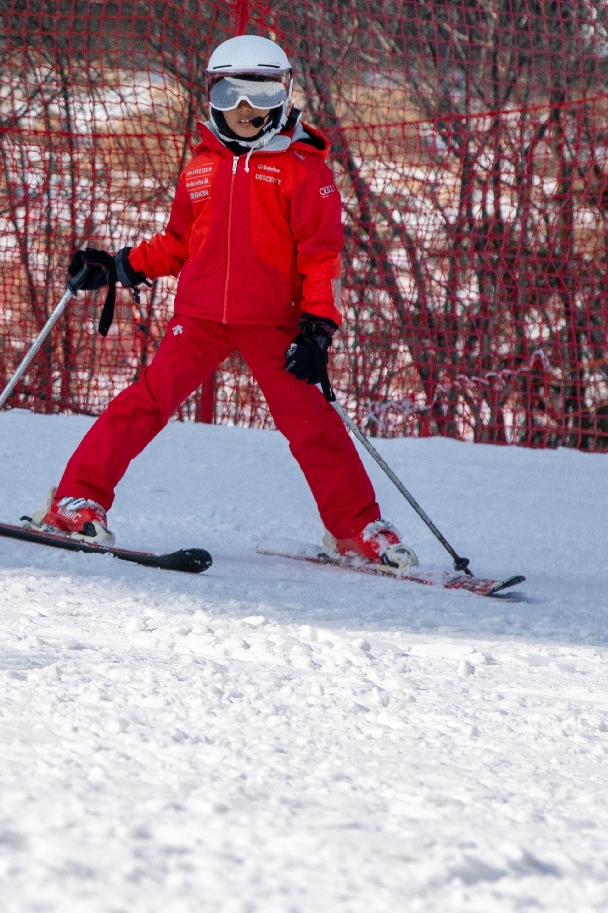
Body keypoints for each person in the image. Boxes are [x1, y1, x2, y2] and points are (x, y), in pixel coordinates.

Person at [26, 34, 418, 571]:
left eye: (261, 95)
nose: (244, 109)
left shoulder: (304, 169)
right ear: (212, 96)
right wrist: (118, 266)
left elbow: (321, 256)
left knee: (314, 425)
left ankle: (355, 528)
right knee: (144, 403)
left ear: (283, 96)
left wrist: (318, 327)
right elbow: (178, 244)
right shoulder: (201, 168)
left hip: (273, 324)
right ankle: (76, 501)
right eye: (230, 94)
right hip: (201, 317)